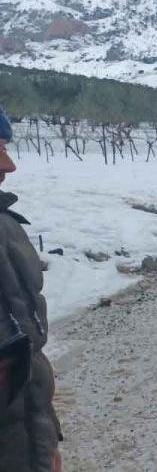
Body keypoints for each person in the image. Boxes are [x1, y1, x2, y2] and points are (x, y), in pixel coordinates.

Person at [0, 107, 63, 472]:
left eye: (5, 147)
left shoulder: (6, 226)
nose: (9, 167)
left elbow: (25, 357)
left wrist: (44, 447)